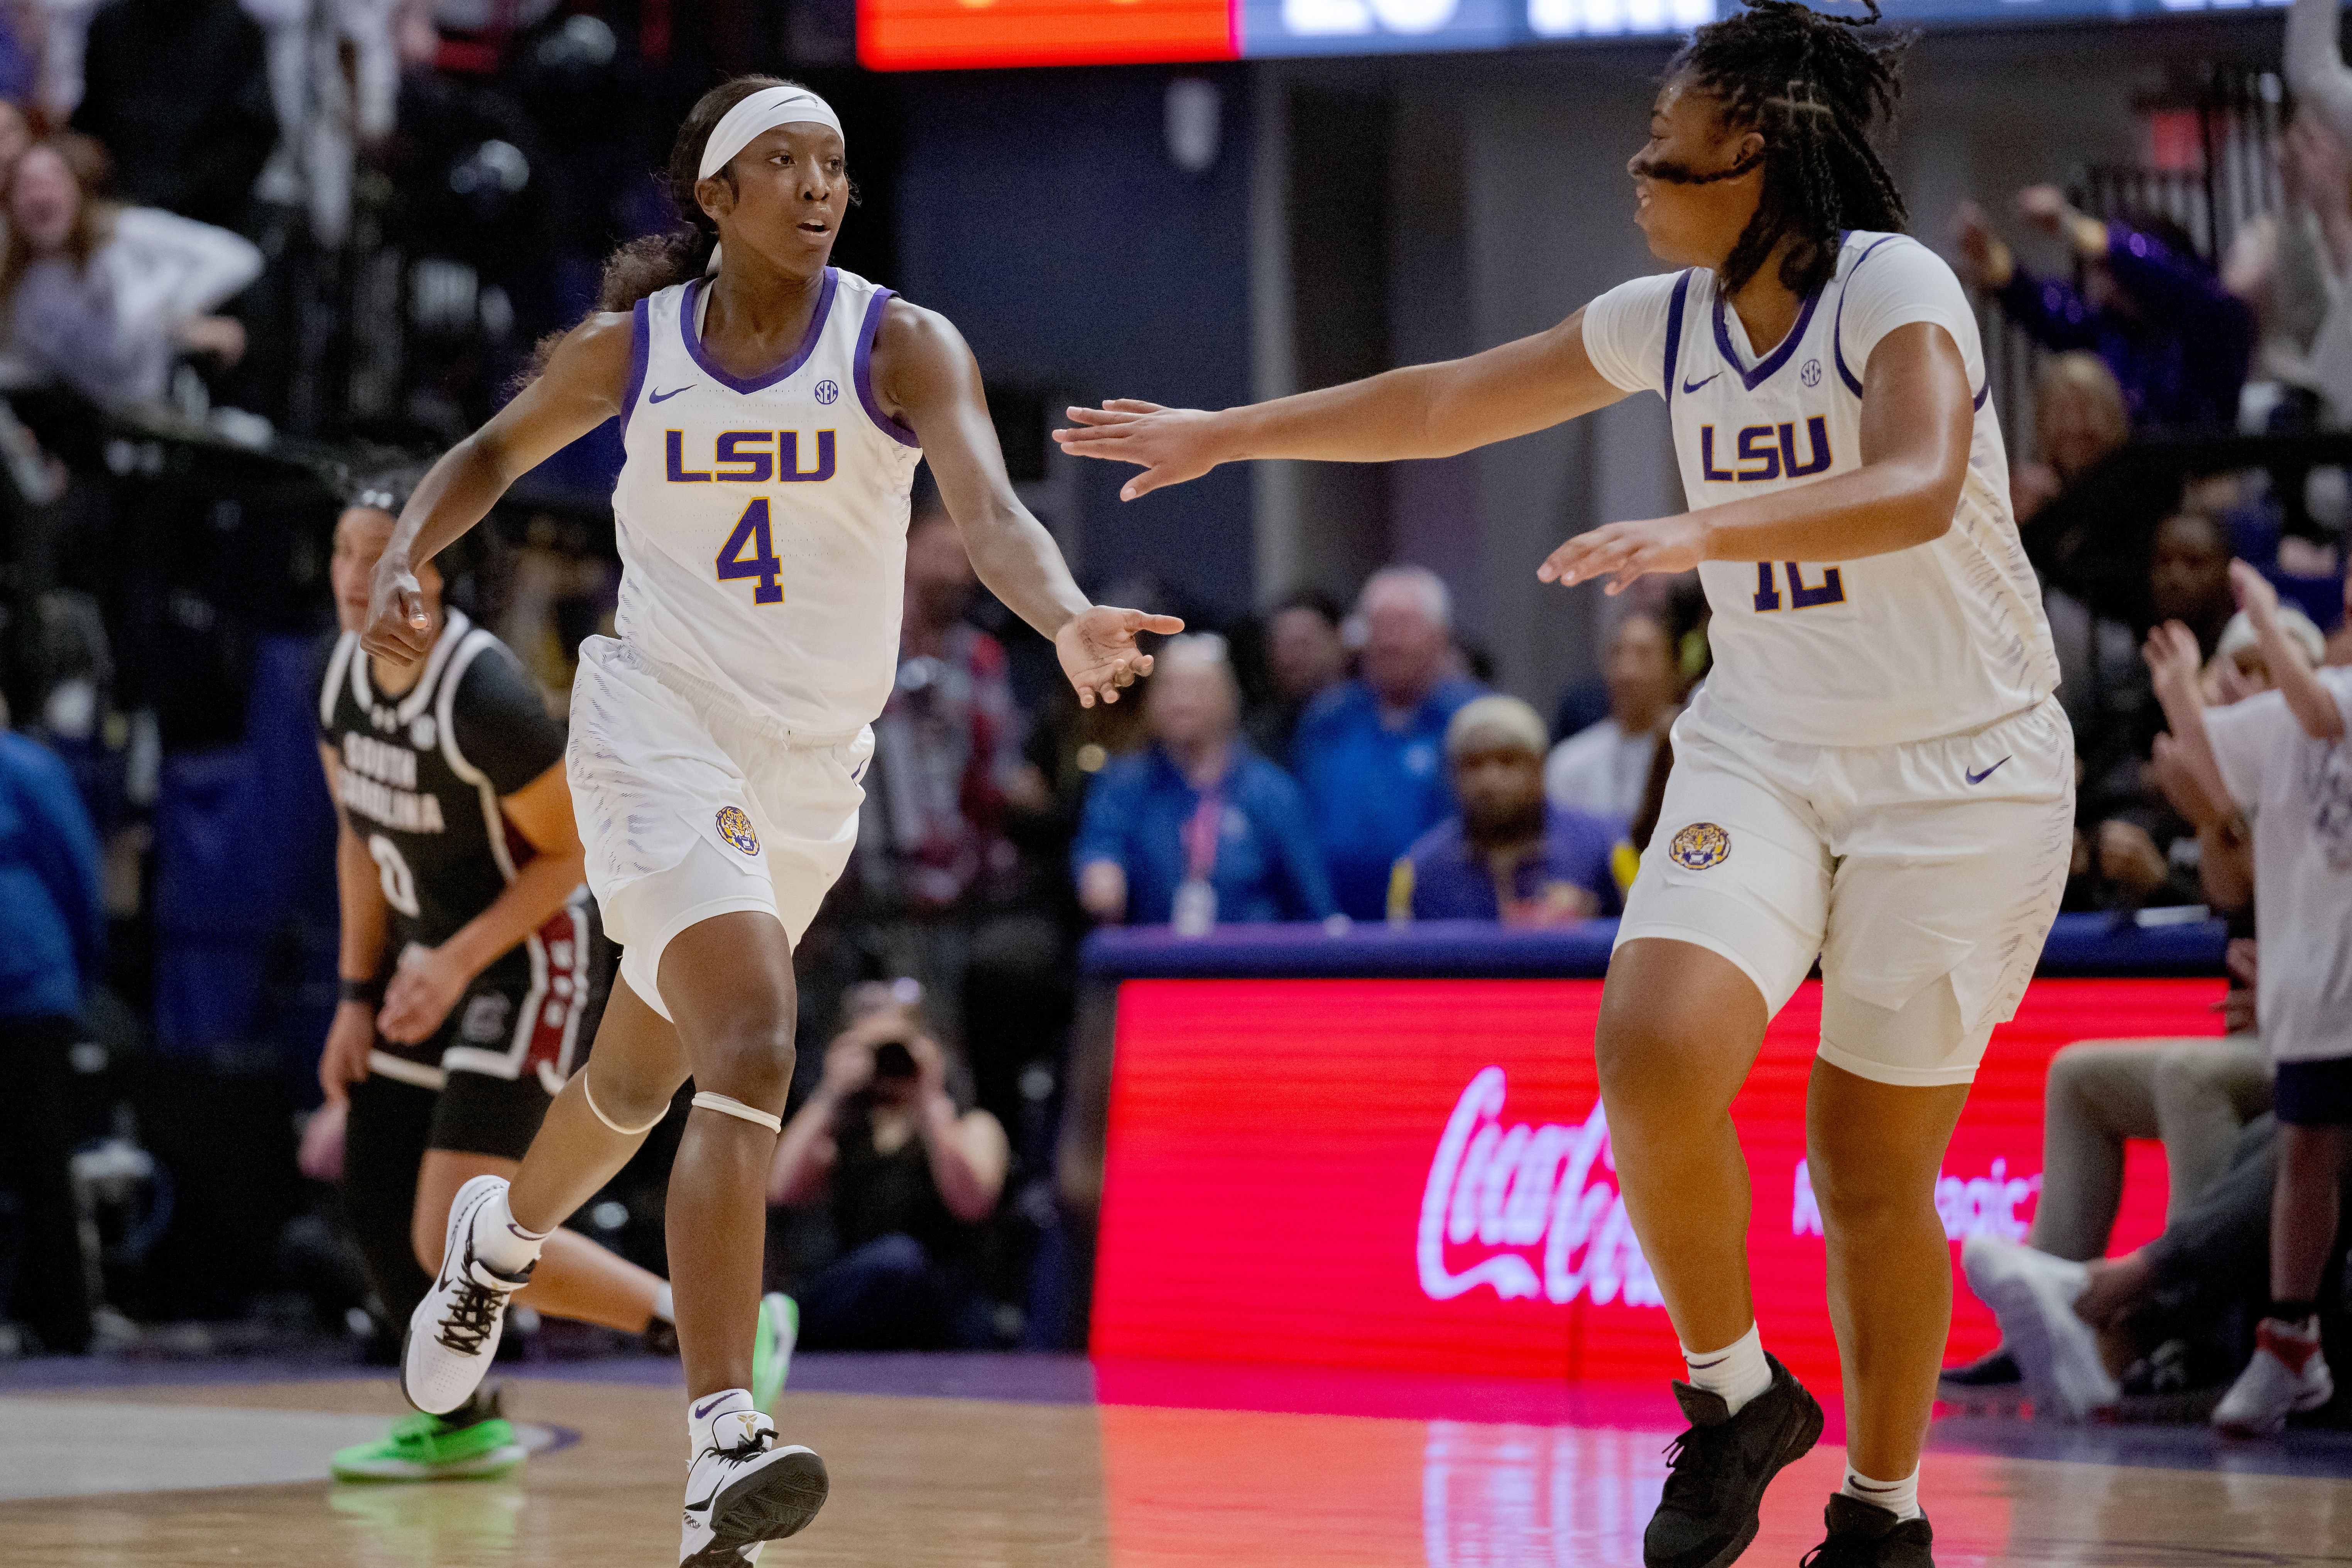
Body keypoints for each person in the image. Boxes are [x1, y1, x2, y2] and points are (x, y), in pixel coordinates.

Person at [1056, 3, 2069, 1559]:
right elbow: (1451, 396)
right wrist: (1229, 431)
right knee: (1652, 1051)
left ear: (1760, 154)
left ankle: (1883, 1510)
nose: (1635, 172)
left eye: (1661, 150)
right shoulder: (1668, 319)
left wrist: (1706, 533)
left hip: (1966, 767)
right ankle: (1735, 1394)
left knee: (1868, 1170)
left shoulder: (1891, 283)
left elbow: (1922, 478)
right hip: (1772, 737)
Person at [360, 78, 1176, 1564]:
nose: (817, 186)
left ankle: (497, 1240)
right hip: (654, 724)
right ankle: (722, 1440)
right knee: (753, 1035)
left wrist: (1061, 616)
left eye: (836, 164)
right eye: (782, 162)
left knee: (635, 1067)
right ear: (713, 196)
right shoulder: (635, 349)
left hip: (810, 764)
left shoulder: (902, 340)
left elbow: (987, 513)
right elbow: (484, 455)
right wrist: (407, 553)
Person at [308, 479, 780, 1483]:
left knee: (448, 1220)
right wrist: (357, 993)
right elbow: (360, 840)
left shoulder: (486, 699)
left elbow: (568, 865)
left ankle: (691, 1319)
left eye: (380, 553)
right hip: (422, 963)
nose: (358, 577)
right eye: (346, 552)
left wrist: (454, 960)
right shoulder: (337, 682)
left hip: (524, 955)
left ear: (431, 567)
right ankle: (459, 1418)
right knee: (372, 1192)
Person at [2140, 562, 2352, 1436]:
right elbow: (2213, 767)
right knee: (2302, 1157)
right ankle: (2287, 1344)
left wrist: (2263, 617)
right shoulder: (2320, 694)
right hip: (2316, 990)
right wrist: (2177, 690)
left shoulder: (2323, 699)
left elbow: (2315, 712)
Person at [766, 985, 1009, 1350]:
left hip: (940, 1302)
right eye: (876, 1053)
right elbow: (782, 1190)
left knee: (902, 1260)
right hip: (857, 1299)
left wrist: (929, 1097)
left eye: (898, 1051)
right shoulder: (843, 1133)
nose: (888, 1064)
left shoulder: (972, 1126)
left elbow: (972, 1203)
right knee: (889, 1262)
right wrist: (830, 1093)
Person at [1074, 632, 1332, 929]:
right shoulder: (1124, 786)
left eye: (1196, 688)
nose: (1180, 701)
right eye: (1169, 687)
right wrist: (1100, 873)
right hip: (1152, 962)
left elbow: (1311, 899)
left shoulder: (1270, 792)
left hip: (1250, 966)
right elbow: (1102, 845)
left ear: (1227, 697)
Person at [1953, 188, 2252, 432]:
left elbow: (2172, 282)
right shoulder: (2111, 330)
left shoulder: (2210, 316)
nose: (2099, 271)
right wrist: (1998, 265)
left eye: (2109, 264)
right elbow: (2050, 313)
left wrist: (2079, 230)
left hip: (2209, 482)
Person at [0, 134, 261, 410]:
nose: (40, 193)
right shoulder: (19, 277)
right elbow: (29, 367)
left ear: (80, 188)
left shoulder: (127, 234)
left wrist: (178, 316)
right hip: (84, 423)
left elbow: (238, 257)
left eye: (51, 181)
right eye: (27, 185)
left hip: (157, 407)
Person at [1288, 565, 1483, 921]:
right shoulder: (1325, 720)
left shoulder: (1473, 721)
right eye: (1379, 626)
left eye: (1405, 626)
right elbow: (1301, 831)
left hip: (1442, 930)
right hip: (1335, 932)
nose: (1389, 642)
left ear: (1440, 636)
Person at [0, 692, 103, 1356]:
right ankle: (62, 1324)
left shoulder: (26, 769)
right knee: (42, 1162)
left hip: (27, 990)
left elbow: (74, 871)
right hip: (35, 983)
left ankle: (62, 1320)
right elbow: (79, 877)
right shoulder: (30, 767)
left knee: (41, 1161)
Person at [1396, 694, 1625, 925]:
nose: (1489, 780)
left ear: (1539, 768)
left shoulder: (1608, 849)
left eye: (1507, 761)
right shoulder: (1419, 870)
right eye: (1473, 764)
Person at [68, 0, 275, 233]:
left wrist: (183, 198)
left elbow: (252, 132)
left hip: (213, 220)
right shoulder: (110, 25)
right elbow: (91, 120)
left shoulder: (235, 29)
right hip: (123, 213)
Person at [1545, 611, 1679, 823]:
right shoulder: (1568, 764)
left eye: (1643, 655)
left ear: (1673, 669)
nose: (1627, 672)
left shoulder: (1692, 756)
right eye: (1618, 654)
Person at [1245, 588, 1348, 761]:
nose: (1292, 659)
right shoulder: (1258, 740)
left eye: (1305, 644)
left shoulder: (1376, 719)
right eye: (1283, 646)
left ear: (1337, 641)